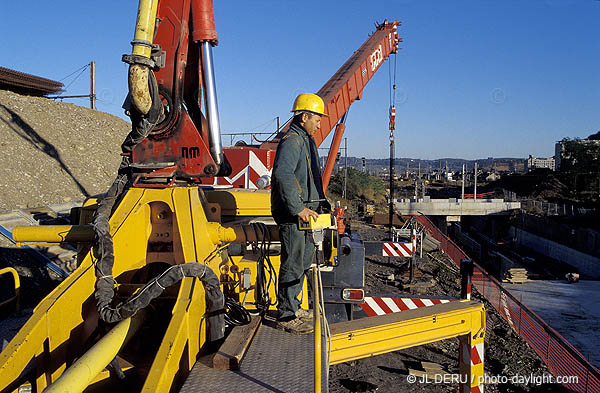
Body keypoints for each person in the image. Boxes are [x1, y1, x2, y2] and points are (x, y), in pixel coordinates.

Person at [271, 93, 328, 334]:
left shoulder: (305, 140)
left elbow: (310, 178)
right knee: (293, 262)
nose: (320, 123)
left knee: (304, 261)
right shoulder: (293, 141)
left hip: (306, 213)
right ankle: (285, 316)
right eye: (317, 118)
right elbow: (283, 175)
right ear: (304, 116)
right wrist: (297, 209)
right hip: (294, 215)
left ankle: (293, 306)